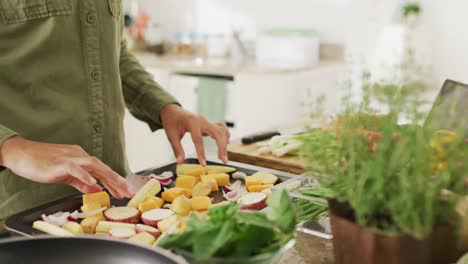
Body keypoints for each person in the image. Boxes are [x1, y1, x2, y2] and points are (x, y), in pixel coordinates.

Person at [0, 0, 229, 223]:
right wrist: (10, 148)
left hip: (115, 198)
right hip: (20, 211)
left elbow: (112, 51)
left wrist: (163, 106)